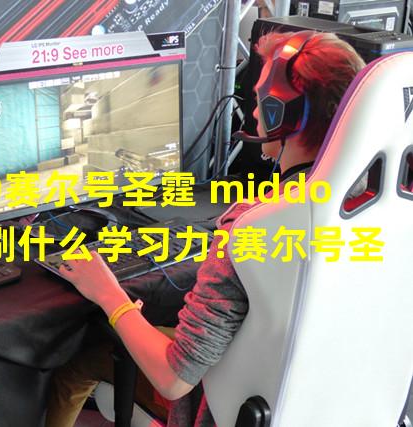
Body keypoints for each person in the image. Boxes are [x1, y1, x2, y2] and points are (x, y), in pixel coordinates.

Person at [45, 31, 366, 427]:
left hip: (228, 408)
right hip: (321, 403)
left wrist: (108, 294)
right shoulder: (378, 206)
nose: (253, 114)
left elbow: (173, 377)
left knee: (83, 355)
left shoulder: (254, 227)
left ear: (282, 115)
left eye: (261, 103)